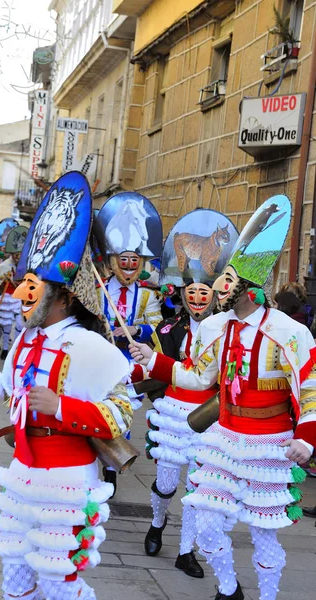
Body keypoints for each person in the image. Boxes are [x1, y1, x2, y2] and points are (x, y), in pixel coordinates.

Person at [0, 172, 133, 600]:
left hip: (68, 479)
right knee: (15, 580)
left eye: (35, 285)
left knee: (58, 583)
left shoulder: (90, 346)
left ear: (64, 297)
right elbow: (5, 387)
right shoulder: (27, 339)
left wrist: (61, 405)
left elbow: (122, 413)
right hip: (23, 473)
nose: (22, 292)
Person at [130, 195, 316, 600]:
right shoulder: (216, 328)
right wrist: (155, 362)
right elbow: (199, 378)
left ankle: (267, 596)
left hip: (269, 445)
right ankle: (229, 591)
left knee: (264, 534)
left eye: (227, 281)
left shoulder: (288, 332)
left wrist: (306, 438)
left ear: (249, 289)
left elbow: (309, 386)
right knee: (208, 525)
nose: (218, 287)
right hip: (223, 439)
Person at [142, 210, 239, 578]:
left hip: (210, 418)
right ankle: (156, 522)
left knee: (197, 490)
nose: (198, 298)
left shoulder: (227, 332)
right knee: (166, 485)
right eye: (192, 292)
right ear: (182, 294)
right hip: (173, 416)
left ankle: (187, 552)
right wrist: (143, 365)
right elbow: (153, 374)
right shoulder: (168, 330)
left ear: (214, 295)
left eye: (204, 292)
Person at [96, 191, 163, 494]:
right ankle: (101, 460)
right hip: (99, 360)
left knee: (121, 415)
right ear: (114, 261)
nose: (128, 265)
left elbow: (158, 325)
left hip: (129, 365)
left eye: (133, 261)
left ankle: (111, 463)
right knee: (98, 410)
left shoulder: (147, 295)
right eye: (123, 260)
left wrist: (135, 330)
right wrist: (102, 327)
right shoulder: (98, 290)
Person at [0, 226, 28, 359]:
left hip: (21, 298)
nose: (19, 257)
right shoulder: (4, 266)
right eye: (17, 255)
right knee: (7, 324)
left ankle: (14, 349)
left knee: (20, 324)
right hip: (8, 297)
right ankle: (5, 349)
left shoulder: (27, 267)